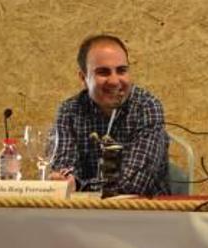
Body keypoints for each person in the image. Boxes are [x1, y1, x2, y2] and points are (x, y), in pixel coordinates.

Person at [50, 34, 170, 196]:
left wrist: (78, 185)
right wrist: (68, 182)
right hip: (82, 216)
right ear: (83, 78)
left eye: (121, 70)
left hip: (143, 214)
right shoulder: (69, 112)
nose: (114, 81)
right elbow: (63, 175)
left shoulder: (147, 107)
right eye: (103, 72)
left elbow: (134, 184)